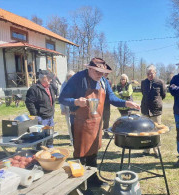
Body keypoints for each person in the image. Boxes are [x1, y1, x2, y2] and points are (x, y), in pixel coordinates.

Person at [58, 57, 140, 188]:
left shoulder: (103, 81)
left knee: (94, 152)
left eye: (102, 73)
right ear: (90, 69)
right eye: (97, 72)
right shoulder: (78, 78)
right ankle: (81, 184)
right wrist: (75, 102)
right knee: (81, 155)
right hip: (79, 122)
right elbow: (62, 98)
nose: (100, 75)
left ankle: (92, 179)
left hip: (96, 123)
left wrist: (126, 102)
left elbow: (111, 98)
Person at [25, 70, 55, 148]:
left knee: (50, 136)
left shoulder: (50, 87)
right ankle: (38, 152)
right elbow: (29, 103)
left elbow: (52, 101)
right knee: (40, 138)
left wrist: (52, 112)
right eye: (49, 78)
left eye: (51, 78)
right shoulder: (34, 89)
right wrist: (35, 115)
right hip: (41, 117)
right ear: (43, 78)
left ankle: (50, 149)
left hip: (50, 116)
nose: (50, 80)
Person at [141, 65, 166, 157]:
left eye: (151, 73)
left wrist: (156, 102)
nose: (149, 75)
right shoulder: (143, 82)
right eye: (148, 74)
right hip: (145, 109)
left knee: (156, 131)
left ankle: (156, 150)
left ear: (155, 73)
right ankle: (146, 150)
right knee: (145, 130)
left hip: (156, 110)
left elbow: (163, 94)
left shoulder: (160, 82)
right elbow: (143, 93)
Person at [60, 70, 75, 145]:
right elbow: (61, 97)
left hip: (76, 108)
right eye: (69, 77)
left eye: (72, 77)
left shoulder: (77, 83)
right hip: (67, 108)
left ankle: (77, 139)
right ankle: (72, 140)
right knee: (70, 124)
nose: (70, 78)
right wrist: (62, 109)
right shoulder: (64, 85)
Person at [102, 65, 112, 139]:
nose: (106, 74)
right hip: (98, 103)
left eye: (107, 73)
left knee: (106, 119)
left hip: (106, 103)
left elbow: (110, 93)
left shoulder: (108, 82)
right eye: (105, 72)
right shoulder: (96, 80)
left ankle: (105, 133)